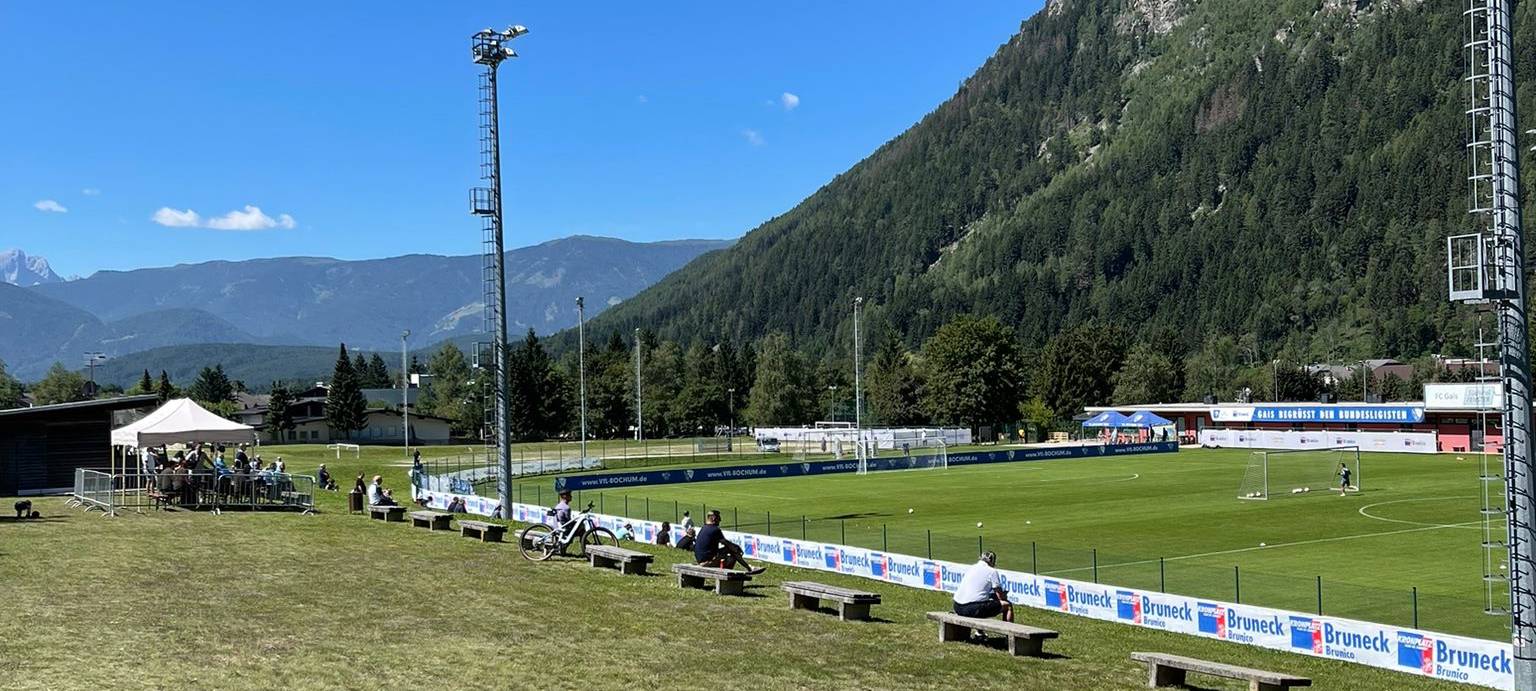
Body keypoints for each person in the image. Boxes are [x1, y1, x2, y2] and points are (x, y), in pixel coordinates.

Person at [693, 510, 763, 574]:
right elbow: (725, 542)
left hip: (701, 561)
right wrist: (736, 547)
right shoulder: (715, 529)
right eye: (719, 518)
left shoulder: (704, 528)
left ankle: (749, 568)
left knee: (731, 549)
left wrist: (734, 547)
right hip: (707, 562)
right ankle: (746, 569)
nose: (720, 520)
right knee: (732, 550)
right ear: (713, 518)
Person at [952, 551, 1013, 623]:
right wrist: (1004, 595)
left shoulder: (972, 567)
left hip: (957, 606)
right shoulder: (992, 571)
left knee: (982, 602)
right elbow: (1000, 597)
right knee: (1007, 605)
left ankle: (979, 632)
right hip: (971, 609)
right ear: (991, 561)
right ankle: (1008, 633)